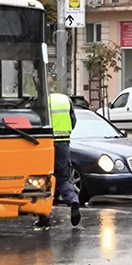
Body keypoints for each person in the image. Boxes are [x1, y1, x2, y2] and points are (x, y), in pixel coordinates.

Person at [41, 91, 81, 228]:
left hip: (45, 143)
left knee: (44, 180)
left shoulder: (44, 100)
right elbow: (73, 122)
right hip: (63, 144)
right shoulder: (66, 100)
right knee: (64, 178)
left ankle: (44, 217)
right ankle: (73, 199)